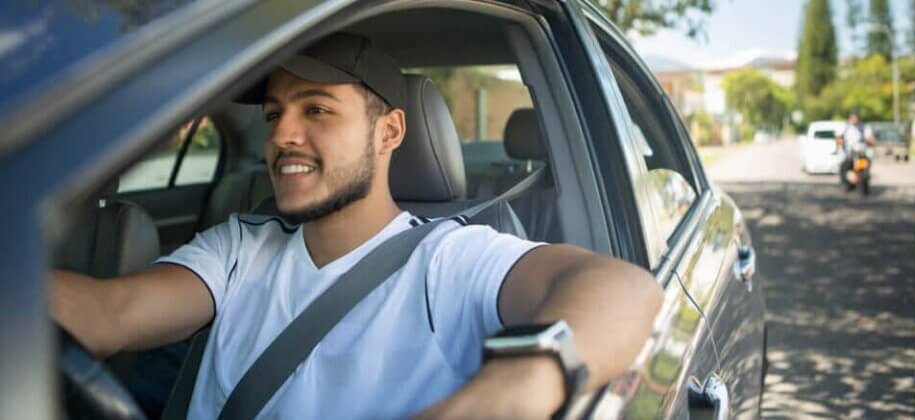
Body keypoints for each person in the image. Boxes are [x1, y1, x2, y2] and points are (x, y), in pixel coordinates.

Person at [49, 33, 663, 419]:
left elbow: (624, 289)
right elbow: (109, 312)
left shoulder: (446, 261)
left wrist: (512, 391)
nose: (283, 134)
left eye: (316, 109)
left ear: (390, 132)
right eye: (274, 114)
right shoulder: (239, 246)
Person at [836, 111, 877, 188]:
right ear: (849, 119)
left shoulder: (865, 127)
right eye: (852, 118)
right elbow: (838, 138)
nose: (854, 120)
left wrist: (870, 140)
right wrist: (841, 142)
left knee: (865, 172)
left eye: (856, 118)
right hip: (848, 154)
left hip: (862, 155)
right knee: (843, 169)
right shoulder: (845, 127)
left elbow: (872, 139)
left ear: (859, 119)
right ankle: (850, 180)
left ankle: (863, 184)